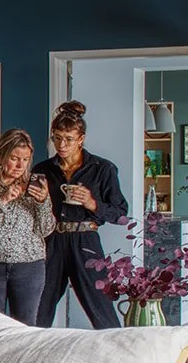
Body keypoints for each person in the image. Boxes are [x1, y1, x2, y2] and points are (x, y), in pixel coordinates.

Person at [34, 100, 129, 329]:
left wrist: (91, 203)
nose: (61, 144)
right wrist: (40, 200)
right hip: (51, 241)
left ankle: (116, 355)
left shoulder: (102, 168)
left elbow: (121, 214)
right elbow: (30, 213)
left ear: (81, 138)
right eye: (57, 137)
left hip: (86, 241)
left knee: (101, 308)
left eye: (68, 139)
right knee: (37, 307)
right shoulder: (42, 170)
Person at [0, 128, 56, 321]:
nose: (20, 165)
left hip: (30, 267)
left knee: (25, 327)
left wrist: (43, 203)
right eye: (14, 158)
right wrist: (2, 199)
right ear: (0, 156)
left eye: (25, 159)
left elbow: (46, 229)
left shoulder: (35, 185)